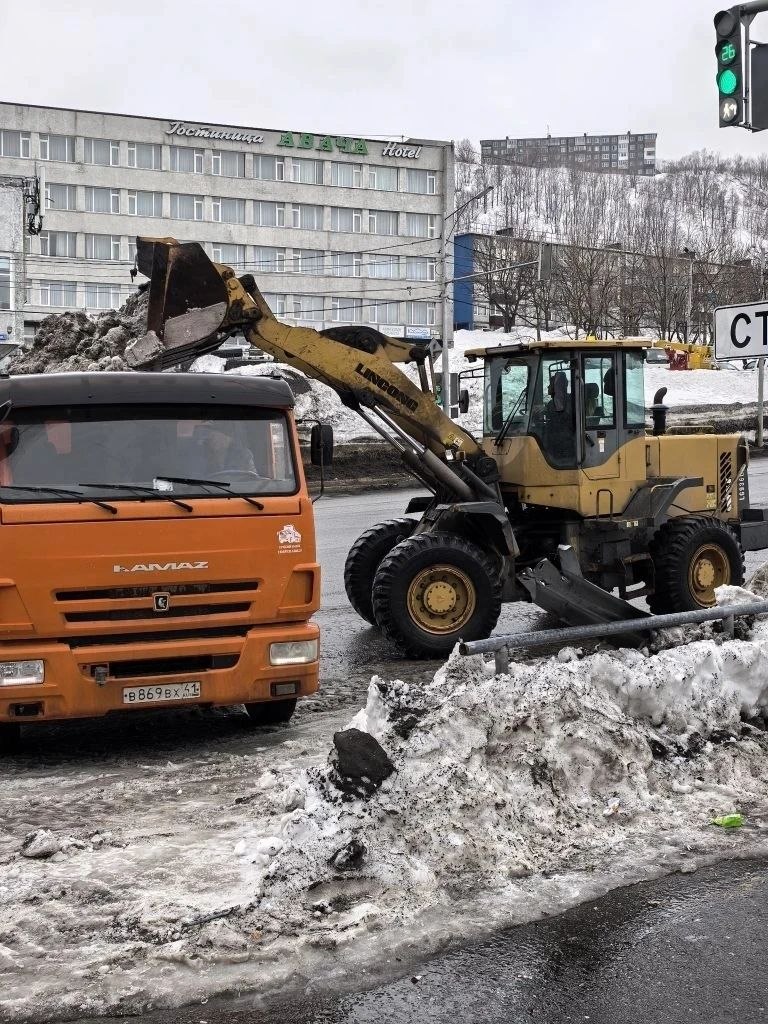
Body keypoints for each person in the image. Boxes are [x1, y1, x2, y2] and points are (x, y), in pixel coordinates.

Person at [544, 370, 575, 462]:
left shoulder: (566, 401)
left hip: (563, 441)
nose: (548, 386)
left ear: (556, 387)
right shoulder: (553, 402)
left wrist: (545, 411)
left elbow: (563, 418)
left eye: (550, 384)